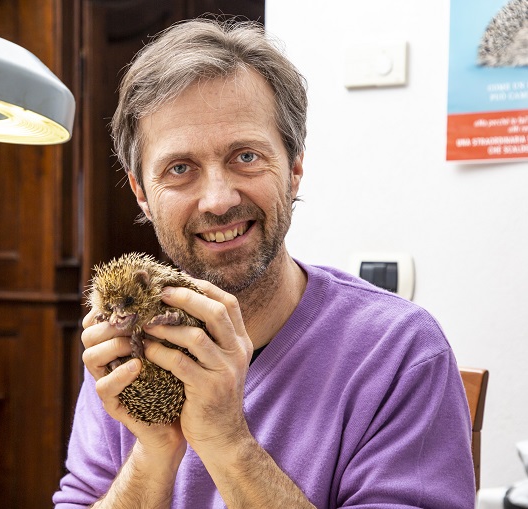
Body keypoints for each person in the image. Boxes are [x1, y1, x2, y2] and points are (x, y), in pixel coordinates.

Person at [54, 18, 476, 509]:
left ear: (294, 169)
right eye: (180, 169)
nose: (216, 199)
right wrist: (153, 453)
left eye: (246, 156)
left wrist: (227, 442)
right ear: (142, 194)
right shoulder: (122, 344)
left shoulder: (399, 352)